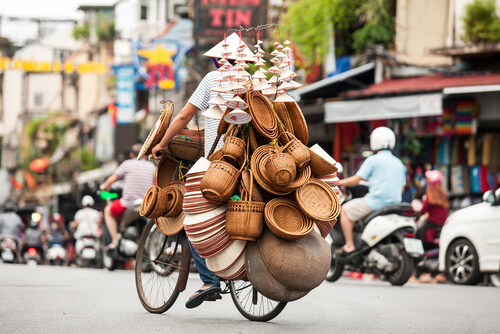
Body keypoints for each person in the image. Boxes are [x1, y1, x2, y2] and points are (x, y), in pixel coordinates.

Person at [150, 33, 248, 308]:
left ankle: (209, 281)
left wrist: (163, 142)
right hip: (251, 164)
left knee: (192, 216)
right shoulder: (254, 82)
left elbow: (183, 116)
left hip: (217, 166)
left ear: (219, 60)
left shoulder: (213, 80)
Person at [335, 127, 406, 255]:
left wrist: (339, 182)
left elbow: (356, 180)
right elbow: (402, 187)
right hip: (395, 204)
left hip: (376, 202)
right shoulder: (399, 163)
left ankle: (349, 245)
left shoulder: (373, 160)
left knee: (344, 210)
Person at [100, 143, 155, 250]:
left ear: (131, 155)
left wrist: (104, 186)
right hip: (146, 205)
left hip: (128, 205)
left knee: (107, 210)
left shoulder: (127, 164)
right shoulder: (152, 166)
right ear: (145, 155)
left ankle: (115, 240)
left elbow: (111, 179)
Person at [416, 170, 449, 250]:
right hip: (442, 225)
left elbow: (423, 210)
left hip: (431, 227)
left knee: (417, 233)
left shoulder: (430, 194)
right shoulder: (444, 194)